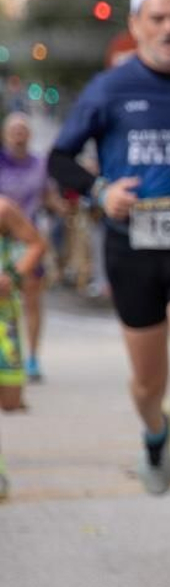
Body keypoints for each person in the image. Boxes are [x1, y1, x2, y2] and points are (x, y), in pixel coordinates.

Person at [48, 0, 170, 556]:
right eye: (157, 18)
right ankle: (156, 430)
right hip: (132, 248)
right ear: (136, 26)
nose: (169, 28)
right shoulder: (110, 88)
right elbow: (60, 160)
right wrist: (101, 191)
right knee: (149, 382)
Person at [1, 113, 54, 384]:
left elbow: (49, 196)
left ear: (30, 134)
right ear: (5, 134)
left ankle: (31, 356)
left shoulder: (40, 164)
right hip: (3, 238)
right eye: (14, 130)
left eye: (23, 129)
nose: (19, 134)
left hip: (26, 237)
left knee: (31, 296)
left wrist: (63, 208)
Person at [0, 197, 47, 500]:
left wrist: (13, 276)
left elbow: (37, 244)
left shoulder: (3, 210)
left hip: (3, 316)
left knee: (10, 399)